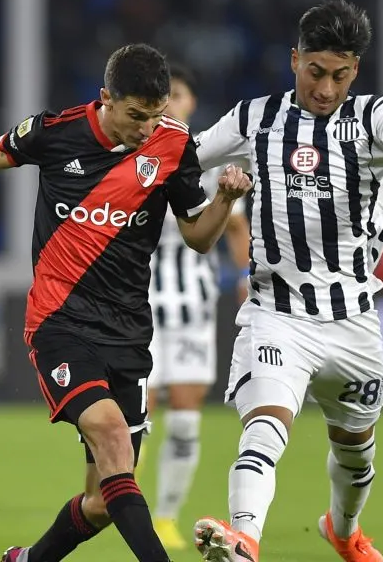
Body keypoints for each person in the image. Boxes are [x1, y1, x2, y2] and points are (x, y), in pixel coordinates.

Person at [0, 43, 251, 562]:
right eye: (136, 116)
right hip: (59, 321)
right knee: (113, 436)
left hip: (129, 331)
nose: (146, 129)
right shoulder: (56, 130)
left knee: (102, 501)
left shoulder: (173, 145)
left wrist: (223, 200)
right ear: (106, 98)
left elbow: (199, 237)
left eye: (156, 116)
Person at [190, 0, 383, 562]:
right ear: (294, 60)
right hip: (276, 312)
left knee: (357, 453)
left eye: (339, 75)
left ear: (354, 71)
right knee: (266, 425)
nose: (327, 88)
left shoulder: (374, 115)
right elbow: (185, 158)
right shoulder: (253, 118)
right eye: (316, 72)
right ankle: (243, 541)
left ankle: (344, 531)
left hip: (353, 318)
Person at [142, 65, 252, 549]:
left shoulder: (207, 164)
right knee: (133, 414)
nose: (170, 102)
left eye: (178, 95)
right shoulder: (136, 155)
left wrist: (248, 276)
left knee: (186, 416)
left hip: (192, 308)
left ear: (191, 104)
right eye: (163, 96)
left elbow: (235, 229)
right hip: (139, 305)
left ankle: (165, 516)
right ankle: (118, 497)